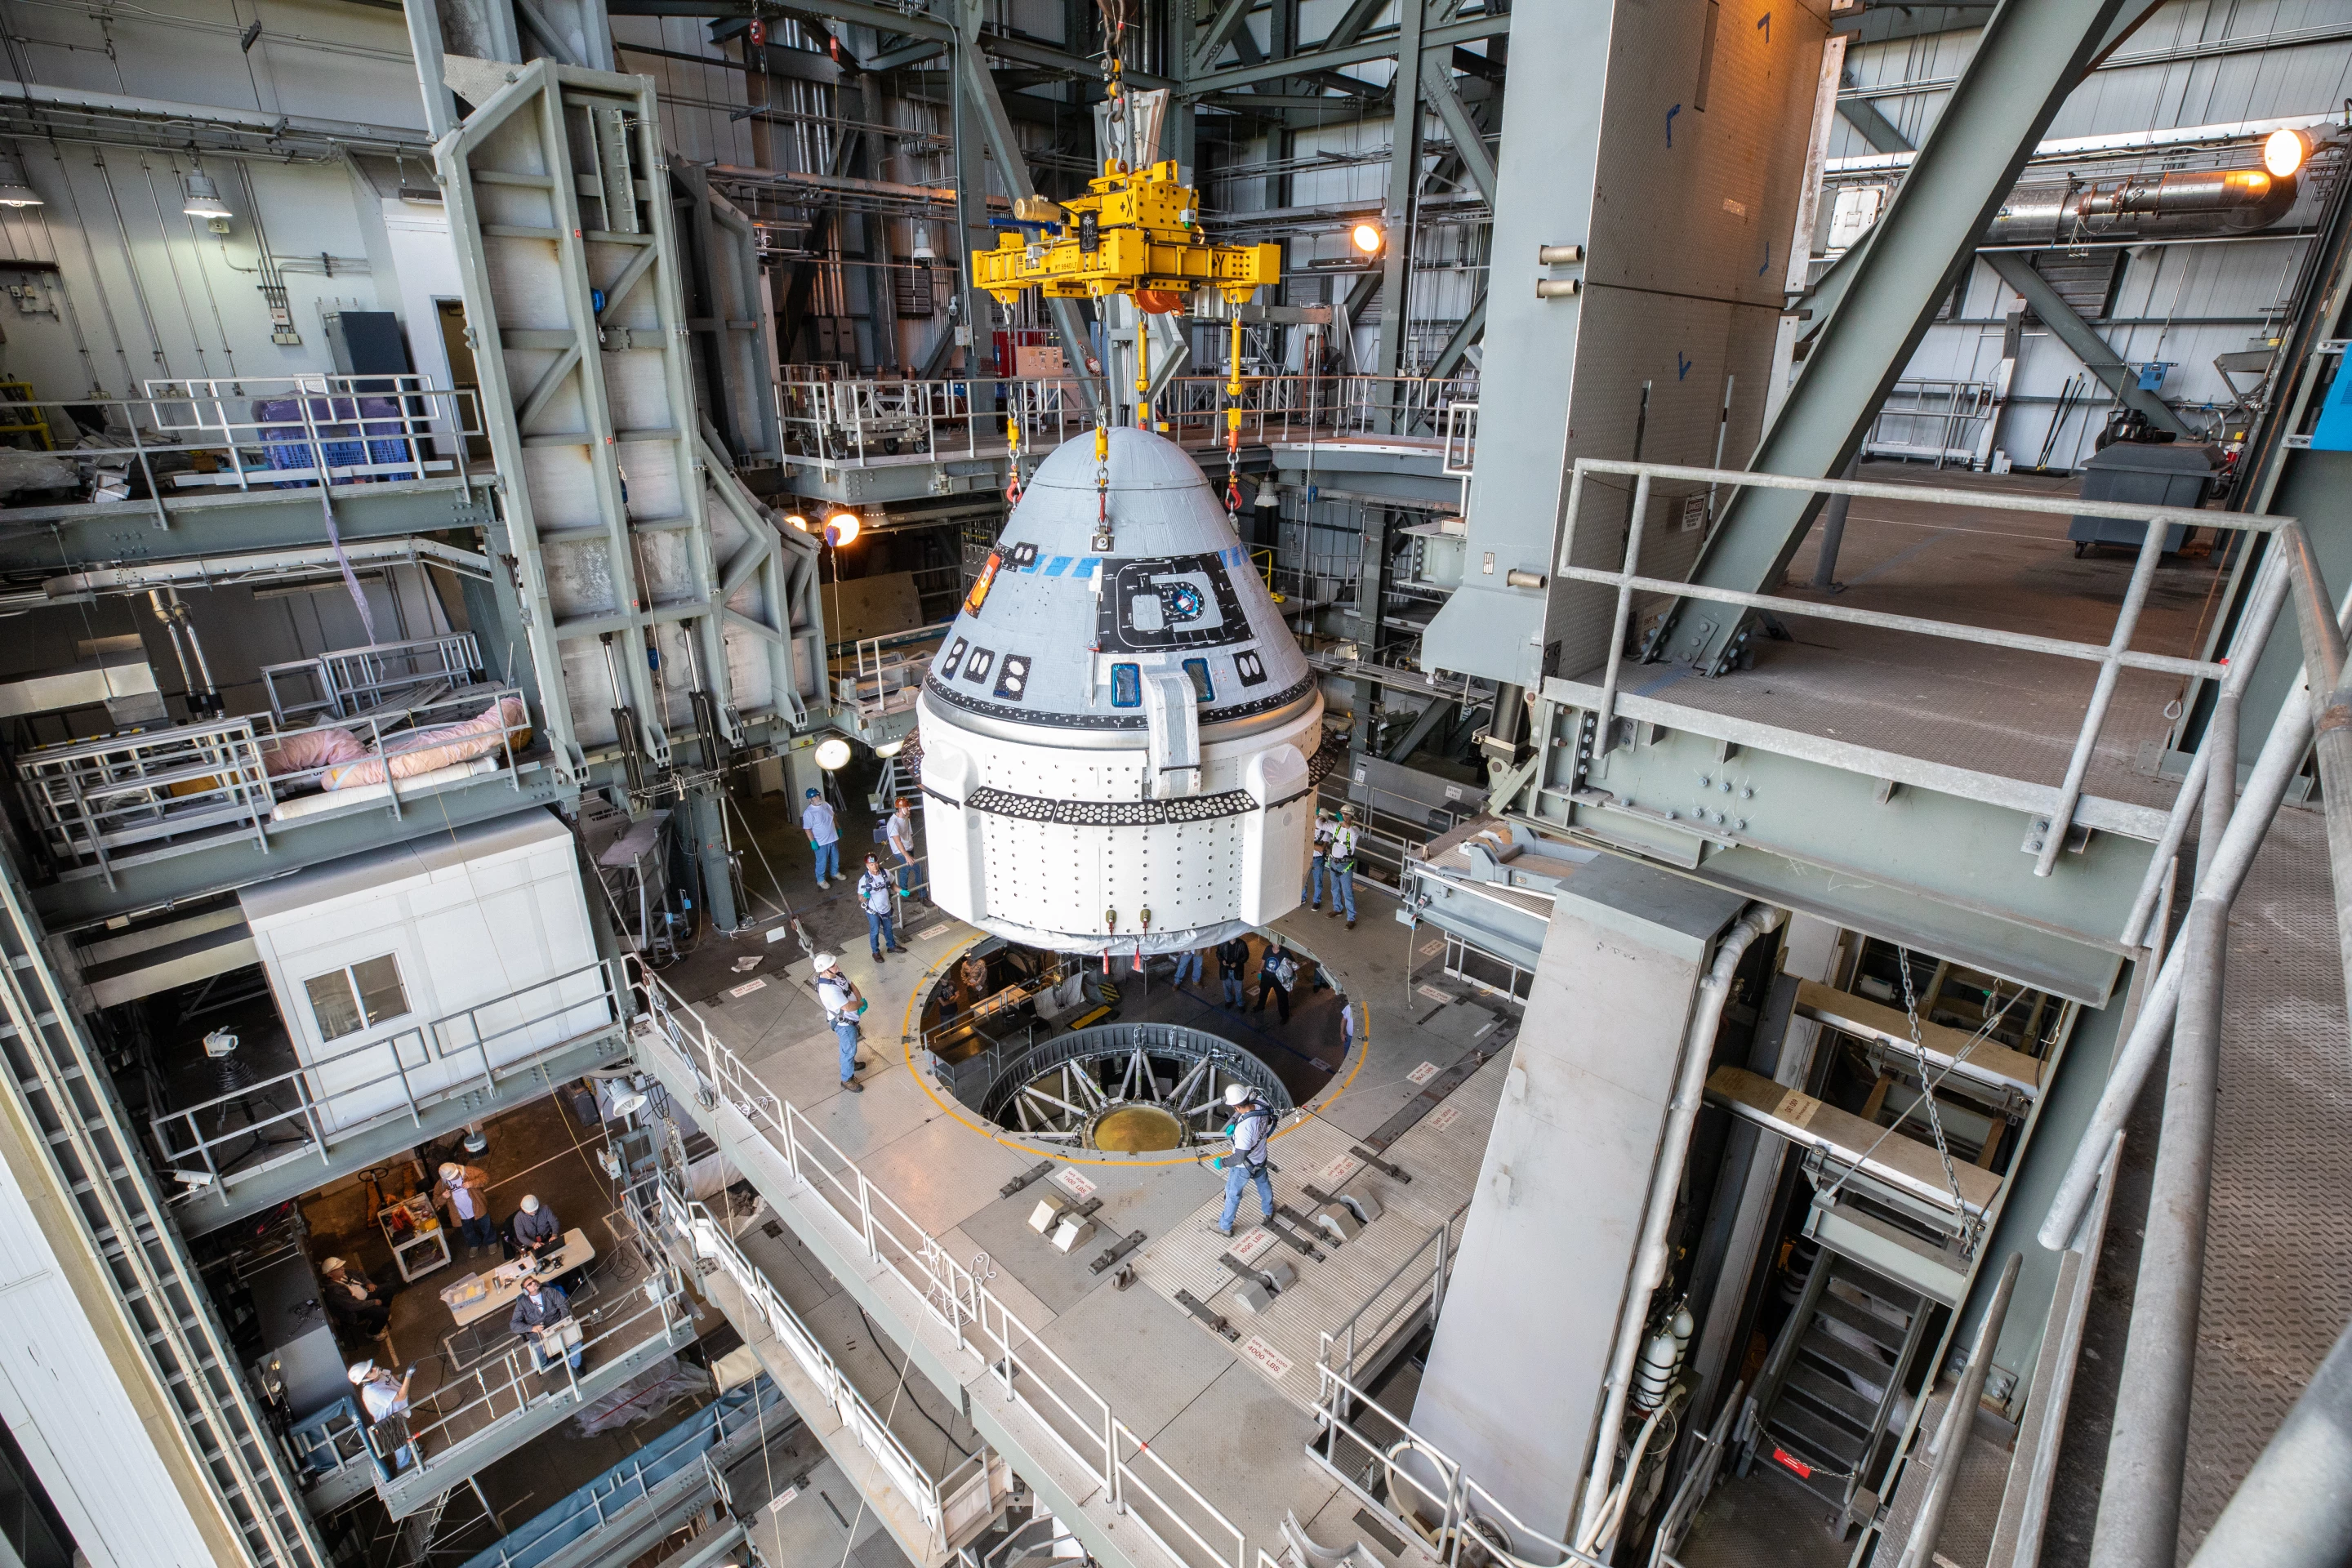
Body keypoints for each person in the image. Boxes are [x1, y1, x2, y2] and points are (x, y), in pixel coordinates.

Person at [1212, 1084, 1277, 1237]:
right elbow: (1264, 1124)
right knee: (1264, 1185)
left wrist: (1222, 1163)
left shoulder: (1244, 1129)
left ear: (1235, 1107)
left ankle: (1225, 1226)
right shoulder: (1262, 1104)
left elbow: (1238, 1158)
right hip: (1260, 1158)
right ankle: (1268, 1211)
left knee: (1232, 1193)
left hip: (1243, 1166)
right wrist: (1236, 1128)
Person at [348, 1361, 416, 1477]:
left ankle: (411, 1454)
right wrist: (408, 1376)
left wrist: (402, 1376)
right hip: (388, 1422)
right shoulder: (373, 1392)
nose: (375, 1368)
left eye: (372, 1367)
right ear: (365, 1379)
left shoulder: (377, 1374)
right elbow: (401, 1396)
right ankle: (403, 1465)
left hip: (395, 1415)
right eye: (371, 1371)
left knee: (403, 1438)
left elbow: (390, 1377)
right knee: (399, 1444)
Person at [813, 953, 868, 1093]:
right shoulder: (829, 990)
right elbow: (847, 1007)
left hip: (851, 1019)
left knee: (850, 1046)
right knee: (848, 1050)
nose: (836, 966)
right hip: (844, 1025)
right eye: (832, 965)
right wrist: (860, 1003)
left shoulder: (836, 976)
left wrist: (859, 1000)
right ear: (825, 971)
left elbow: (851, 985)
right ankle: (847, 1079)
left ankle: (851, 1065)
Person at [509, 1272, 582, 1374]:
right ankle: (551, 1362)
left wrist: (563, 1321)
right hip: (539, 1336)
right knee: (535, 1365)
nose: (533, 1283)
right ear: (525, 1291)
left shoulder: (550, 1292)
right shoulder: (522, 1304)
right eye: (529, 1284)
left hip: (558, 1326)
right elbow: (514, 1325)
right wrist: (532, 1328)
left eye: (533, 1281)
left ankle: (575, 1365)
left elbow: (564, 1304)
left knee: (577, 1344)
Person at [318, 1257, 391, 1338]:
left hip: (364, 1294)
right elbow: (354, 1305)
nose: (343, 1268)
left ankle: (379, 1318)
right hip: (355, 1311)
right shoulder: (335, 1291)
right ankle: (372, 1333)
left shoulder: (344, 1273)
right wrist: (374, 1302)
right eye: (339, 1268)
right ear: (330, 1274)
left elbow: (360, 1273)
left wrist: (367, 1283)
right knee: (384, 1312)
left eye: (341, 1266)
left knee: (388, 1288)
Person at [436, 1160, 497, 1254]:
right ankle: (474, 1244)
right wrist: (443, 1197)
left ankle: (491, 1241)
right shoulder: (442, 1184)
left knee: (486, 1224)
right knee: (467, 1231)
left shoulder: (469, 1172)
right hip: (460, 1213)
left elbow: (485, 1177)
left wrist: (472, 1183)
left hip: (477, 1206)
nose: (453, 1179)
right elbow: (436, 1200)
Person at [857, 854, 905, 960]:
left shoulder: (885, 873)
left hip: (886, 907)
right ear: (867, 866)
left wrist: (900, 890)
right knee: (875, 931)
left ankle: (891, 946)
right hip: (873, 911)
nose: (875, 866)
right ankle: (875, 952)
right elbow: (860, 898)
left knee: (888, 928)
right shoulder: (864, 880)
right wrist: (865, 896)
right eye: (871, 864)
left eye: (876, 863)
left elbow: (892, 884)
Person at [1327, 806, 1361, 930]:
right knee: (1334, 888)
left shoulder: (1355, 830)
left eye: (1345, 815)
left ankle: (1351, 918)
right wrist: (1319, 814)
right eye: (1341, 814)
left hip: (1345, 866)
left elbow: (1352, 832)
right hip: (1333, 863)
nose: (1343, 817)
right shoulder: (1336, 827)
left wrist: (1342, 821)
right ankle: (1337, 909)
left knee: (1347, 892)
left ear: (1351, 817)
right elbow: (1320, 825)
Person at [886, 798, 924, 901]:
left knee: (905, 870)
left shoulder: (906, 818)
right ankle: (923, 895)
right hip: (901, 852)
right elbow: (897, 842)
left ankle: (904, 895)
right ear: (899, 809)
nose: (909, 809)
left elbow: (908, 832)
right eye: (906, 807)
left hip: (909, 848)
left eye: (909, 806)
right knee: (918, 869)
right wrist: (907, 856)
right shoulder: (892, 823)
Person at [802, 787, 840, 888]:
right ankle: (821, 879)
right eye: (815, 796)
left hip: (832, 837)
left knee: (835, 857)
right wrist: (812, 841)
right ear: (810, 800)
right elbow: (807, 829)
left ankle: (835, 873)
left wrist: (839, 828)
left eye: (818, 794)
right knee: (821, 861)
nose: (818, 797)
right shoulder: (809, 813)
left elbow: (833, 816)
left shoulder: (826, 805)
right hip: (821, 842)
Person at [1303, 808, 1336, 909]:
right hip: (1307, 856)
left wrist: (1307, 843)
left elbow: (1321, 848)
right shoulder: (1308, 827)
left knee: (1318, 882)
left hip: (1318, 858)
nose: (1317, 820)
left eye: (1320, 818)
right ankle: (1302, 898)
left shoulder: (1326, 832)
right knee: (1303, 880)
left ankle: (1317, 901)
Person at [1256, 939, 1294, 1024]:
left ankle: (1285, 1016)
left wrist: (1290, 978)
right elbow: (1263, 960)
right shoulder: (1268, 949)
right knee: (1263, 993)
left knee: (1282, 998)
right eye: (1276, 942)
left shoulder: (1285, 953)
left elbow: (1292, 964)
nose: (1278, 945)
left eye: (1279, 943)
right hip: (1266, 976)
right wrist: (1259, 970)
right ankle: (1260, 1006)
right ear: (1272, 942)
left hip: (1279, 980)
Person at [511, 1194, 559, 1260]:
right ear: (524, 1210)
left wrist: (554, 1234)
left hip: (549, 1238)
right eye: (532, 1211)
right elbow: (521, 1236)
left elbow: (554, 1222)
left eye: (536, 1209)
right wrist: (533, 1244)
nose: (534, 1211)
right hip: (533, 1244)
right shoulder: (518, 1219)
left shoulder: (545, 1209)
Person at [1218, 935, 1252, 1007]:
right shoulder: (1223, 943)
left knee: (1239, 990)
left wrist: (1237, 963)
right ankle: (1229, 1000)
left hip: (1237, 971)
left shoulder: (1242, 943)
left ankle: (1240, 1004)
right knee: (1227, 988)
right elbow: (1218, 954)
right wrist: (1222, 960)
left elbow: (1246, 956)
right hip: (1226, 970)